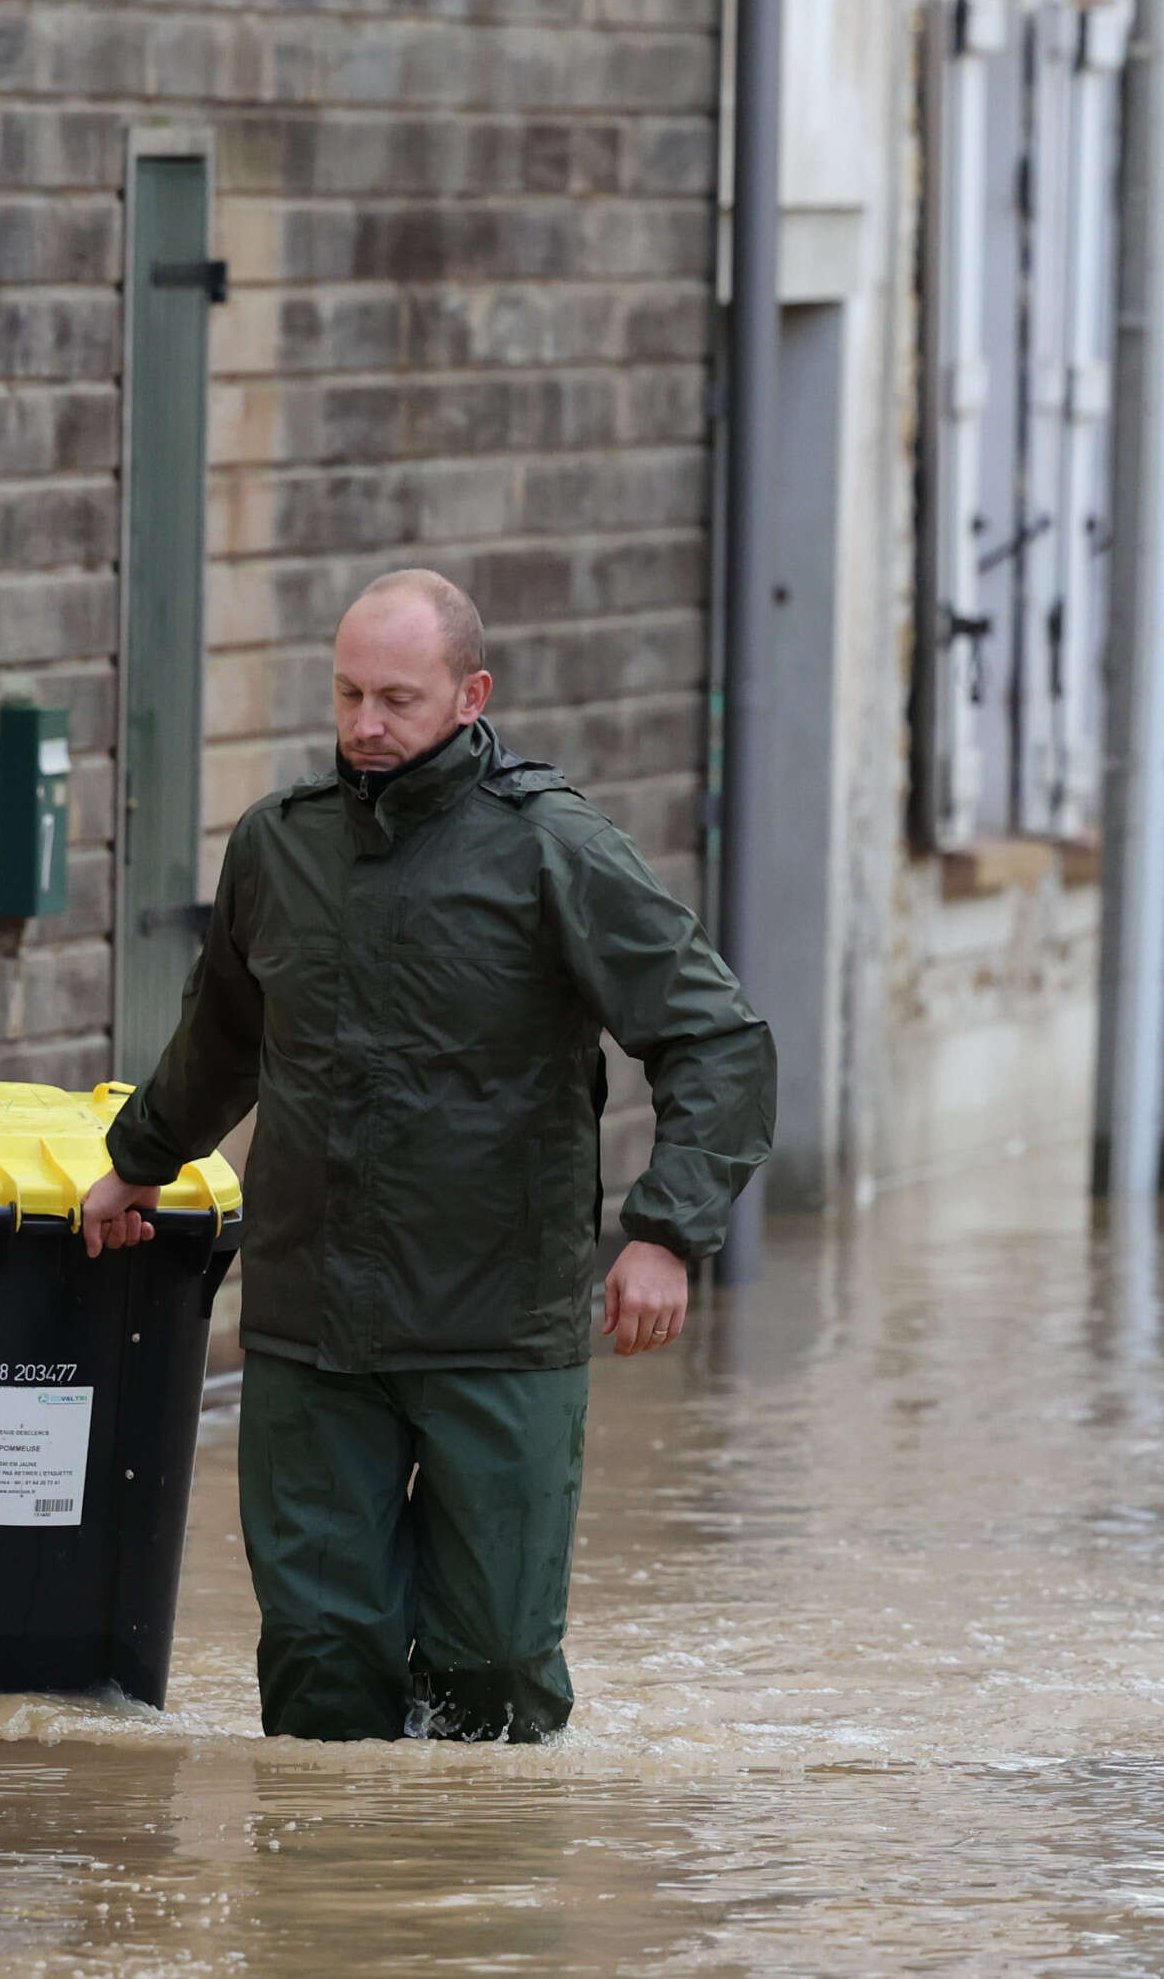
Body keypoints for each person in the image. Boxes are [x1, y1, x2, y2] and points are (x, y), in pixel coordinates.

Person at [77, 569, 775, 1744]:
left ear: (470, 694)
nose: (364, 725)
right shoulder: (277, 848)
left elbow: (718, 1040)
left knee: (493, 1673)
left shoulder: (555, 849)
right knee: (319, 1671)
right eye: (347, 693)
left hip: (496, 1328)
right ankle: (337, 1917)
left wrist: (664, 1232)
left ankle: (479, 1913)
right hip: (310, 1329)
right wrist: (137, 1160)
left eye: (397, 697)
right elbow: (223, 1040)